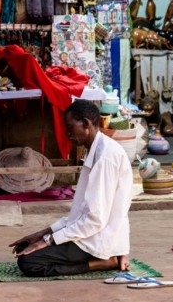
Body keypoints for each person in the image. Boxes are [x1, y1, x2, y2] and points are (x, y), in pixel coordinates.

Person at [10, 99, 133, 277]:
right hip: (89, 232)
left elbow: (95, 220)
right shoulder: (96, 149)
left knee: (29, 262)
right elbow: (81, 214)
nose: (67, 133)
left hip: (95, 238)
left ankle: (101, 263)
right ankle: (105, 257)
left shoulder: (106, 157)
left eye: (69, 127)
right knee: (25, 248)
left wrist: (49, 240)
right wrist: (43, 234)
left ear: (86, 124)